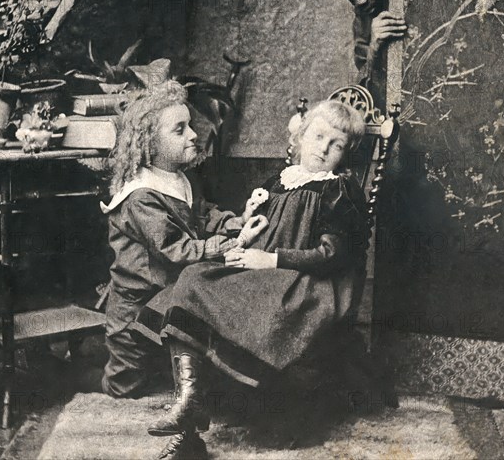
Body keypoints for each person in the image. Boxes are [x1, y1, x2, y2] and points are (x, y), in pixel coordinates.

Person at [144, 99, 371, 459]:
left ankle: (190, 427)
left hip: (305, 282)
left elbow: (332, 255)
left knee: (260, 309)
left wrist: (271, 259)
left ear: (346, 154)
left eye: (337, 144)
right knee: (193, 279)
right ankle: (189, 400)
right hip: (260, 268)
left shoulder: (338, 190)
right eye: (318, 136)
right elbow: (260, 228)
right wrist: (243, 237)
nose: (324, 148)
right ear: (301, 135)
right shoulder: (281, 180)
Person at [99, 80, 267, 400]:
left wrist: (238, 222)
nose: (193, 134)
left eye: (190, 125)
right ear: (150, 143)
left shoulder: (179, 179)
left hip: (163, 300)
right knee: (125, 385)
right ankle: (60, 376)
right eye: (180, 129)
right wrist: (231, 244)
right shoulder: (141, 195)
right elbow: (176, 249)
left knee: (168, 371)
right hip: (135, 309)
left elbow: (203, 217)